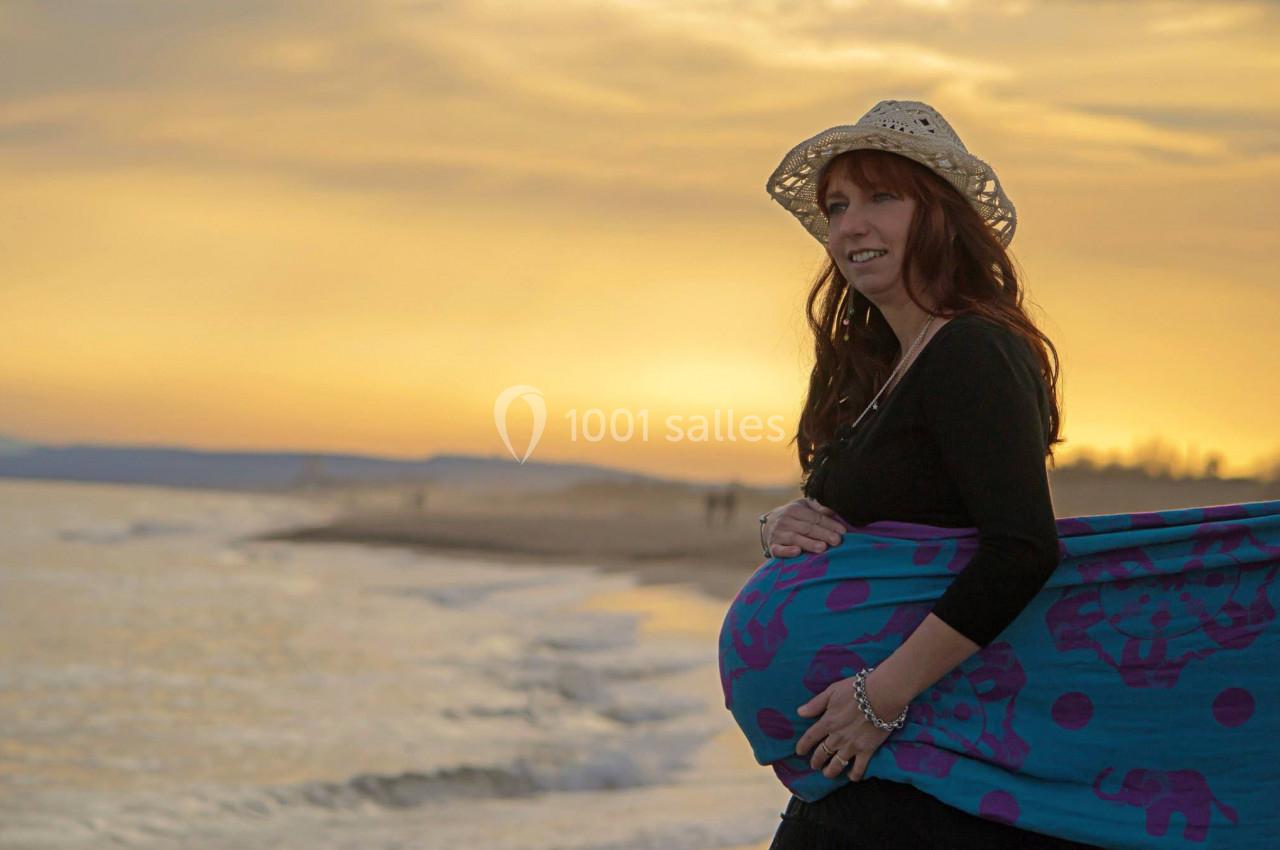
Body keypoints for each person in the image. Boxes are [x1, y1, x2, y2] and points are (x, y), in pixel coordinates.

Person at [754, 100, 1102, 849]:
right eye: (838, 206)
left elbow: (1022, 549)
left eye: (883, 197)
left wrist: (879, 699)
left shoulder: (972, 351)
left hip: (919, 758)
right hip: (873, 758)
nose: (851, 225)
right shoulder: (882, 370)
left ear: (938, 215)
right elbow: (865, 524)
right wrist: (780, 525)